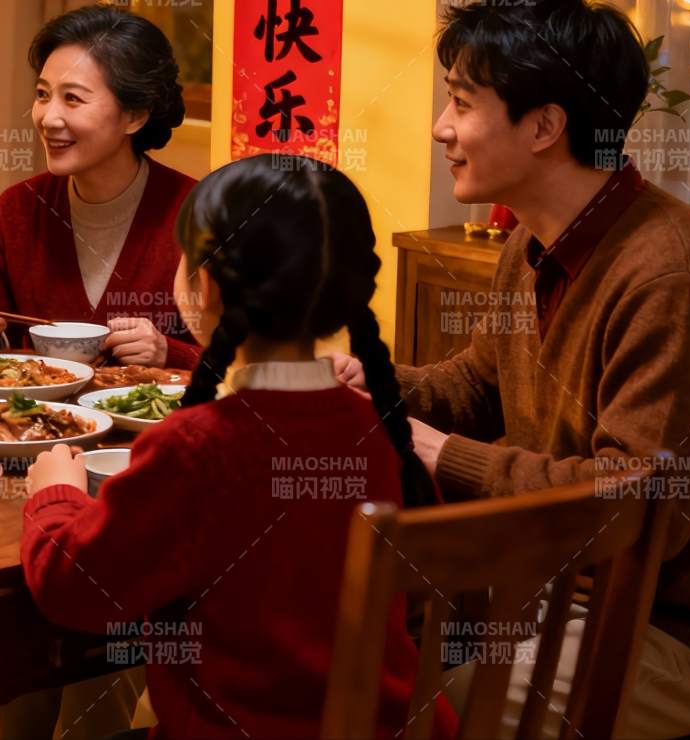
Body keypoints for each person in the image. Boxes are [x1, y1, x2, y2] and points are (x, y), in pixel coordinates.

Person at [334, 0, 690, 738]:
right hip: (542, 591)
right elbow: (478, 384)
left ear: (544, 127)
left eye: (461, 103)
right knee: (335, 659)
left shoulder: (675, 270)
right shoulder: (533, 240)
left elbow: (637, 504)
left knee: (422, 714)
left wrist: (439, 451)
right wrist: (377, 385)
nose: (440, 128)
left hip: (678, 635)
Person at [22, 154, 455, 739]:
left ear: (205, 286)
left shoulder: (197, 447)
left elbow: (75, 589)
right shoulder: (378, 430)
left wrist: (54, 494)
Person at [0, 5, 201, 368]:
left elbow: (245, 365)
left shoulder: (199, 216)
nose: (49, 118)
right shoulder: (19, 208)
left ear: (134, 115)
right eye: (42, 94)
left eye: (73, 99)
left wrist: (168, 353)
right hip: (36, 407)